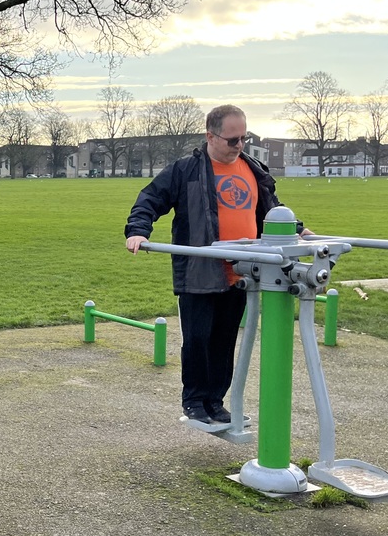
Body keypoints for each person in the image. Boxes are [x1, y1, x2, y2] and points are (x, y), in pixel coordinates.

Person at [124, 104, 308, 424]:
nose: (240, 146)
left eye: (244, 138)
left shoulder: (254, 169)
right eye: (232, 140)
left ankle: (216, 401)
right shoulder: (186, 170)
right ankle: (194, 400)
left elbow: (270, 209)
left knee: (225, 339)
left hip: (243, 269)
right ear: (210, 136)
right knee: (198, 338)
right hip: (201, 268)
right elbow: (150, 199)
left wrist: (297, 230)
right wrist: (138, 232)